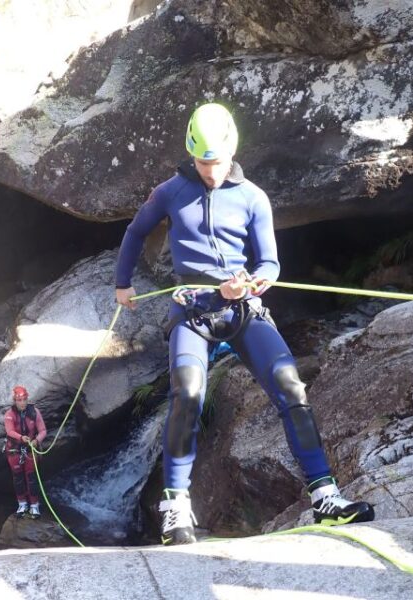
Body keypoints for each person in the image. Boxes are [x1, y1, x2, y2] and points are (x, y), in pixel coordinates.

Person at [114, 102, 374, 545]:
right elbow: (136, 231)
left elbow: (270, 262)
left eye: (215, 163)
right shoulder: (171, 191)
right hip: (193, 313)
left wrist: (255, 283)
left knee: (292, 389)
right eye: (202, 163)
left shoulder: (253, 197)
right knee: (189, 393)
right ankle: (176, 506)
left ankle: (325, 495)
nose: (210, 172)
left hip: (242, 309)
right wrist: (122, 284)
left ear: (231, 151)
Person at [4, 385, 47, 518]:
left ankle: (34, 505)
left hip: (29, 450)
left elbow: (43, 431)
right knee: (18, 478)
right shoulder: (9, 414)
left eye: (24, 399)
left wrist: (37, 440)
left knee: (31, 477)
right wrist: (21, 438)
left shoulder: (34, 412)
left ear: (27, 399)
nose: (22, 403)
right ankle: (22, 504)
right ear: (15, 401)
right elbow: (9, 431)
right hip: (14, 450)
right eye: (19, 400)